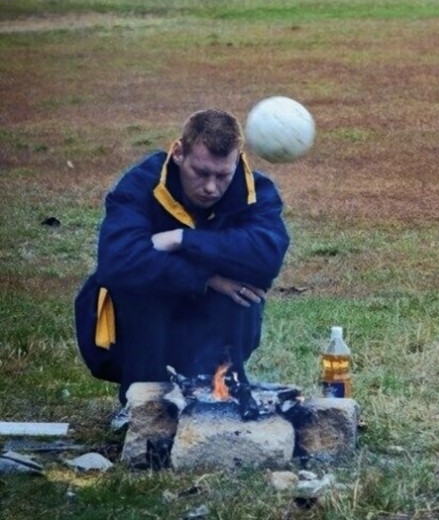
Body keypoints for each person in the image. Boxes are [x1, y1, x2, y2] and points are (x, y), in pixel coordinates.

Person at [75, 108, 290, 406]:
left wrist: (183, 239)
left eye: (222, 175)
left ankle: (220, 397)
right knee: (141, 284)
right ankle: (143, 407)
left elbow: (267, 257)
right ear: (178, 153)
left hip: (213, 327)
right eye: (201, 173)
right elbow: (116, 262)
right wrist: (206, 278)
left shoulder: (256, 190)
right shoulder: (140, 185)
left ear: (237, 160)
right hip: (131, 337)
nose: (211, 187)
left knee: (243, 284)